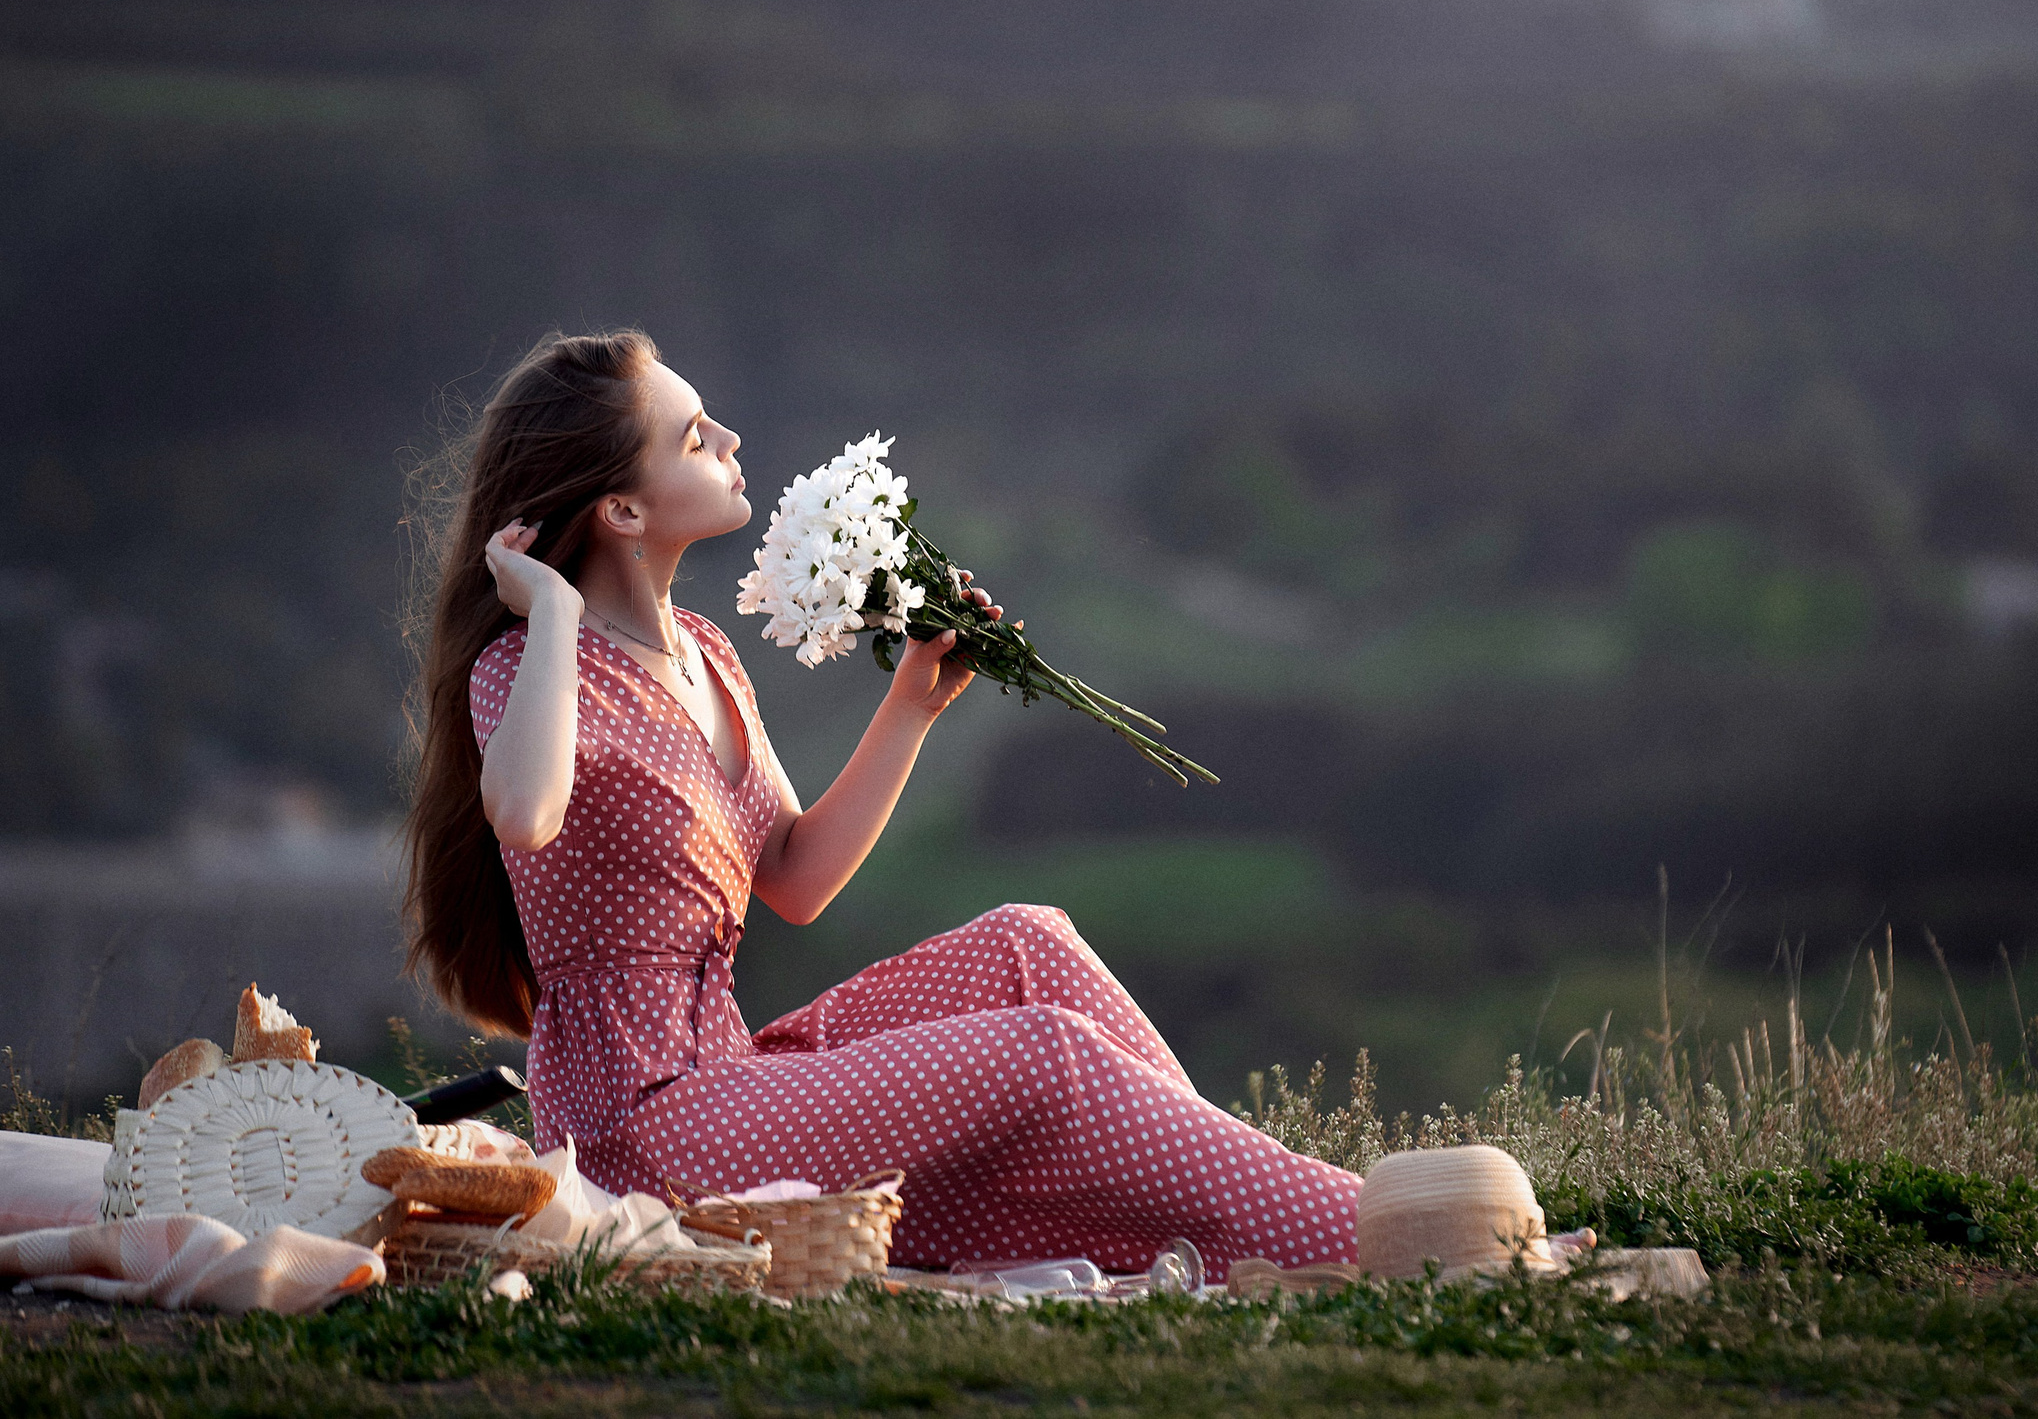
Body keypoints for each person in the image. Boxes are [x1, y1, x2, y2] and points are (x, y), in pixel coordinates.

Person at [402, 330, 1359, 1276]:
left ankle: (1243, 1223)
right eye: (694, 437)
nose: (730, 439)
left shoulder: (706, 653)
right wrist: (556, 613)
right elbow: (523, 814)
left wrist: (911, 706)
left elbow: (795, 876)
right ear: (620, 507)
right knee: (1045, 1054)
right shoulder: (527, 667)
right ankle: (1360, 1230)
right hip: (645, 1138)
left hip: (735, 1083)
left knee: (1030, 944)